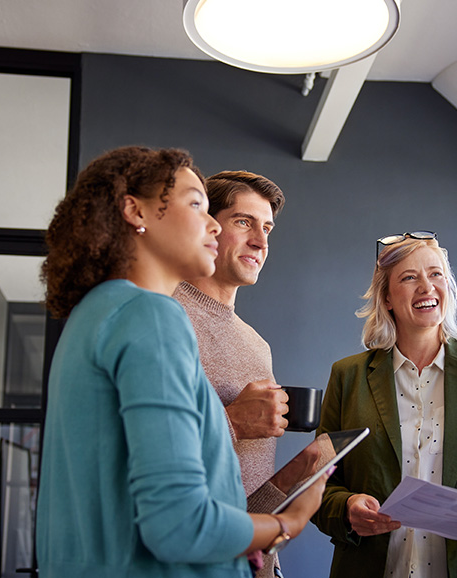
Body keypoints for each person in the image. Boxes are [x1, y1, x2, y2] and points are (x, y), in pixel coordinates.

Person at [35, 146, 326, 578]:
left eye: (267, 227)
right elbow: (180, 526)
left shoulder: (100, 312)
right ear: (136, 211)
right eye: (196, 205)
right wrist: (289, 524)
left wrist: (283, 486)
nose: (212, 225)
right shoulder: (152, 315)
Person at [312, 232, 457, 578]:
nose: (426, 287)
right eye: (409, 277)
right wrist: (347, 508)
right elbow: (318, 483)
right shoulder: (347, 377)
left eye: (436, 274)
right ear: (386, 298)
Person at [172, 170, 289, 577]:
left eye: (267, 228)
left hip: (251, 562)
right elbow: (143, 444)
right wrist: (234, 421)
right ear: (207, 225)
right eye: (244, 222)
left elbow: (247, 481)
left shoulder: (258, 346)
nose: (260, 241)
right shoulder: (164, 316)